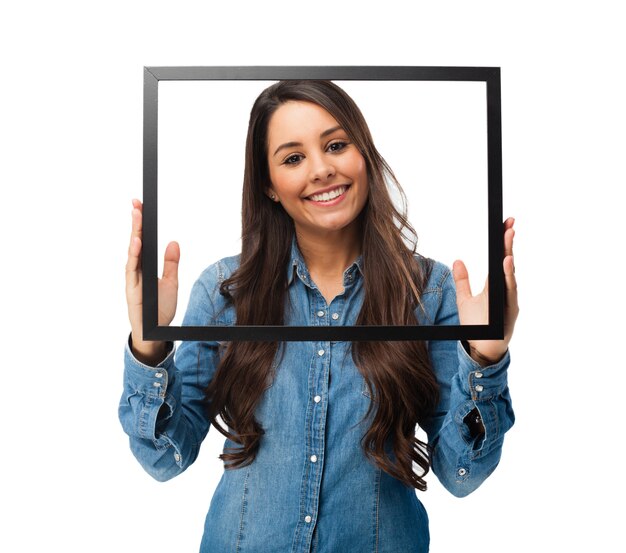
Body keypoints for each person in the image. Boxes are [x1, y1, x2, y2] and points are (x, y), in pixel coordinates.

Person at [120, 80, 518, 553]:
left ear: (363, 154)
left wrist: (486, 356)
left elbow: (461, 471)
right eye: (293, 158)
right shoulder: (225, 291)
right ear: (268, 184)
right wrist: (149, 346)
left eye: (336, 145)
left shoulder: (428, 292)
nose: (322, 169)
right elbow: (164, 458)